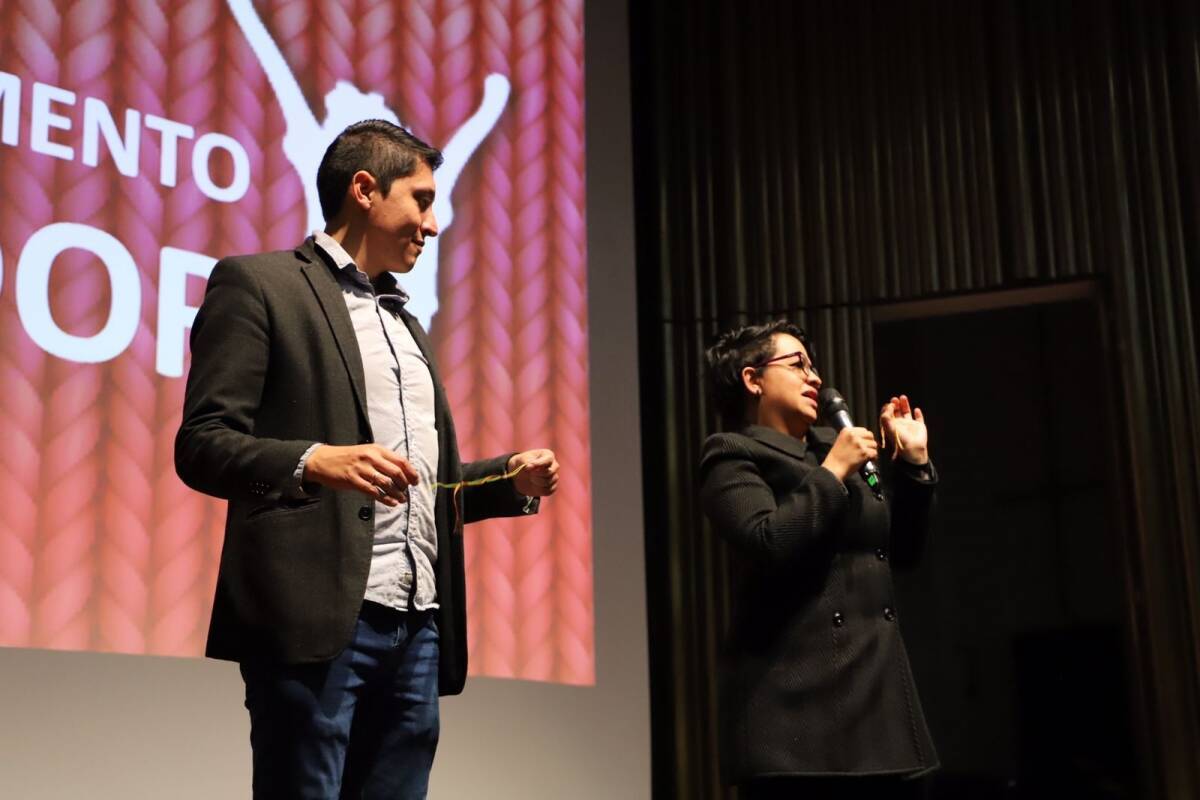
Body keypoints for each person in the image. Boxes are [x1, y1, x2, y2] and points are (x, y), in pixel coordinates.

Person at [175, 119, 559, 799]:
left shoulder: (406, 322)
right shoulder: (260, 286)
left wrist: (508, 482)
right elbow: (202, 445)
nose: (433, 224)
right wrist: (313, 461)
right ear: (364, 190)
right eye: (421, 199)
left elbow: (414, 483)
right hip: (318, 620)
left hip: (417, 627)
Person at [699, 320, 937, 800]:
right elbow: (768, 542)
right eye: (798, 365)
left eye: (814, 366)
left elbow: (900, 551)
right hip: (798, 721)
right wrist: (832, 472)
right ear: (753, 379)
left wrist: (912, 467)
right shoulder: (732, 455)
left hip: (880, 704)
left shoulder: (838, 449)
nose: (816, 379)